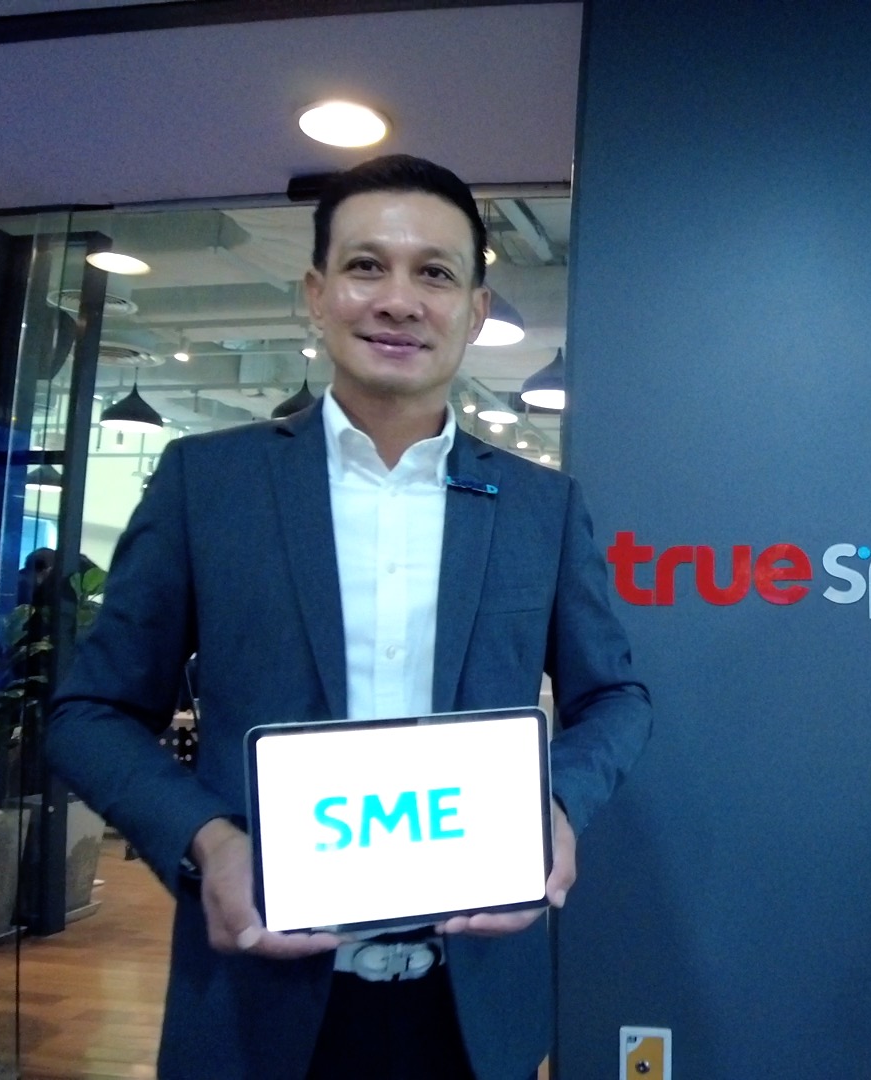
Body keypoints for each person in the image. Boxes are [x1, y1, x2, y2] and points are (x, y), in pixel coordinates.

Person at [47, 155, 652, 1080]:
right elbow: (89, 713)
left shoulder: (542, 508)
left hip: (474, 1007)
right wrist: (211, 842)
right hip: (256, 1000)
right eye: (368, 266)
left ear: (474, 312)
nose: (399, 300)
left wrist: (557, 806)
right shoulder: (209, 485)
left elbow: (615, 697)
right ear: (317, 293)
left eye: (434, 273)